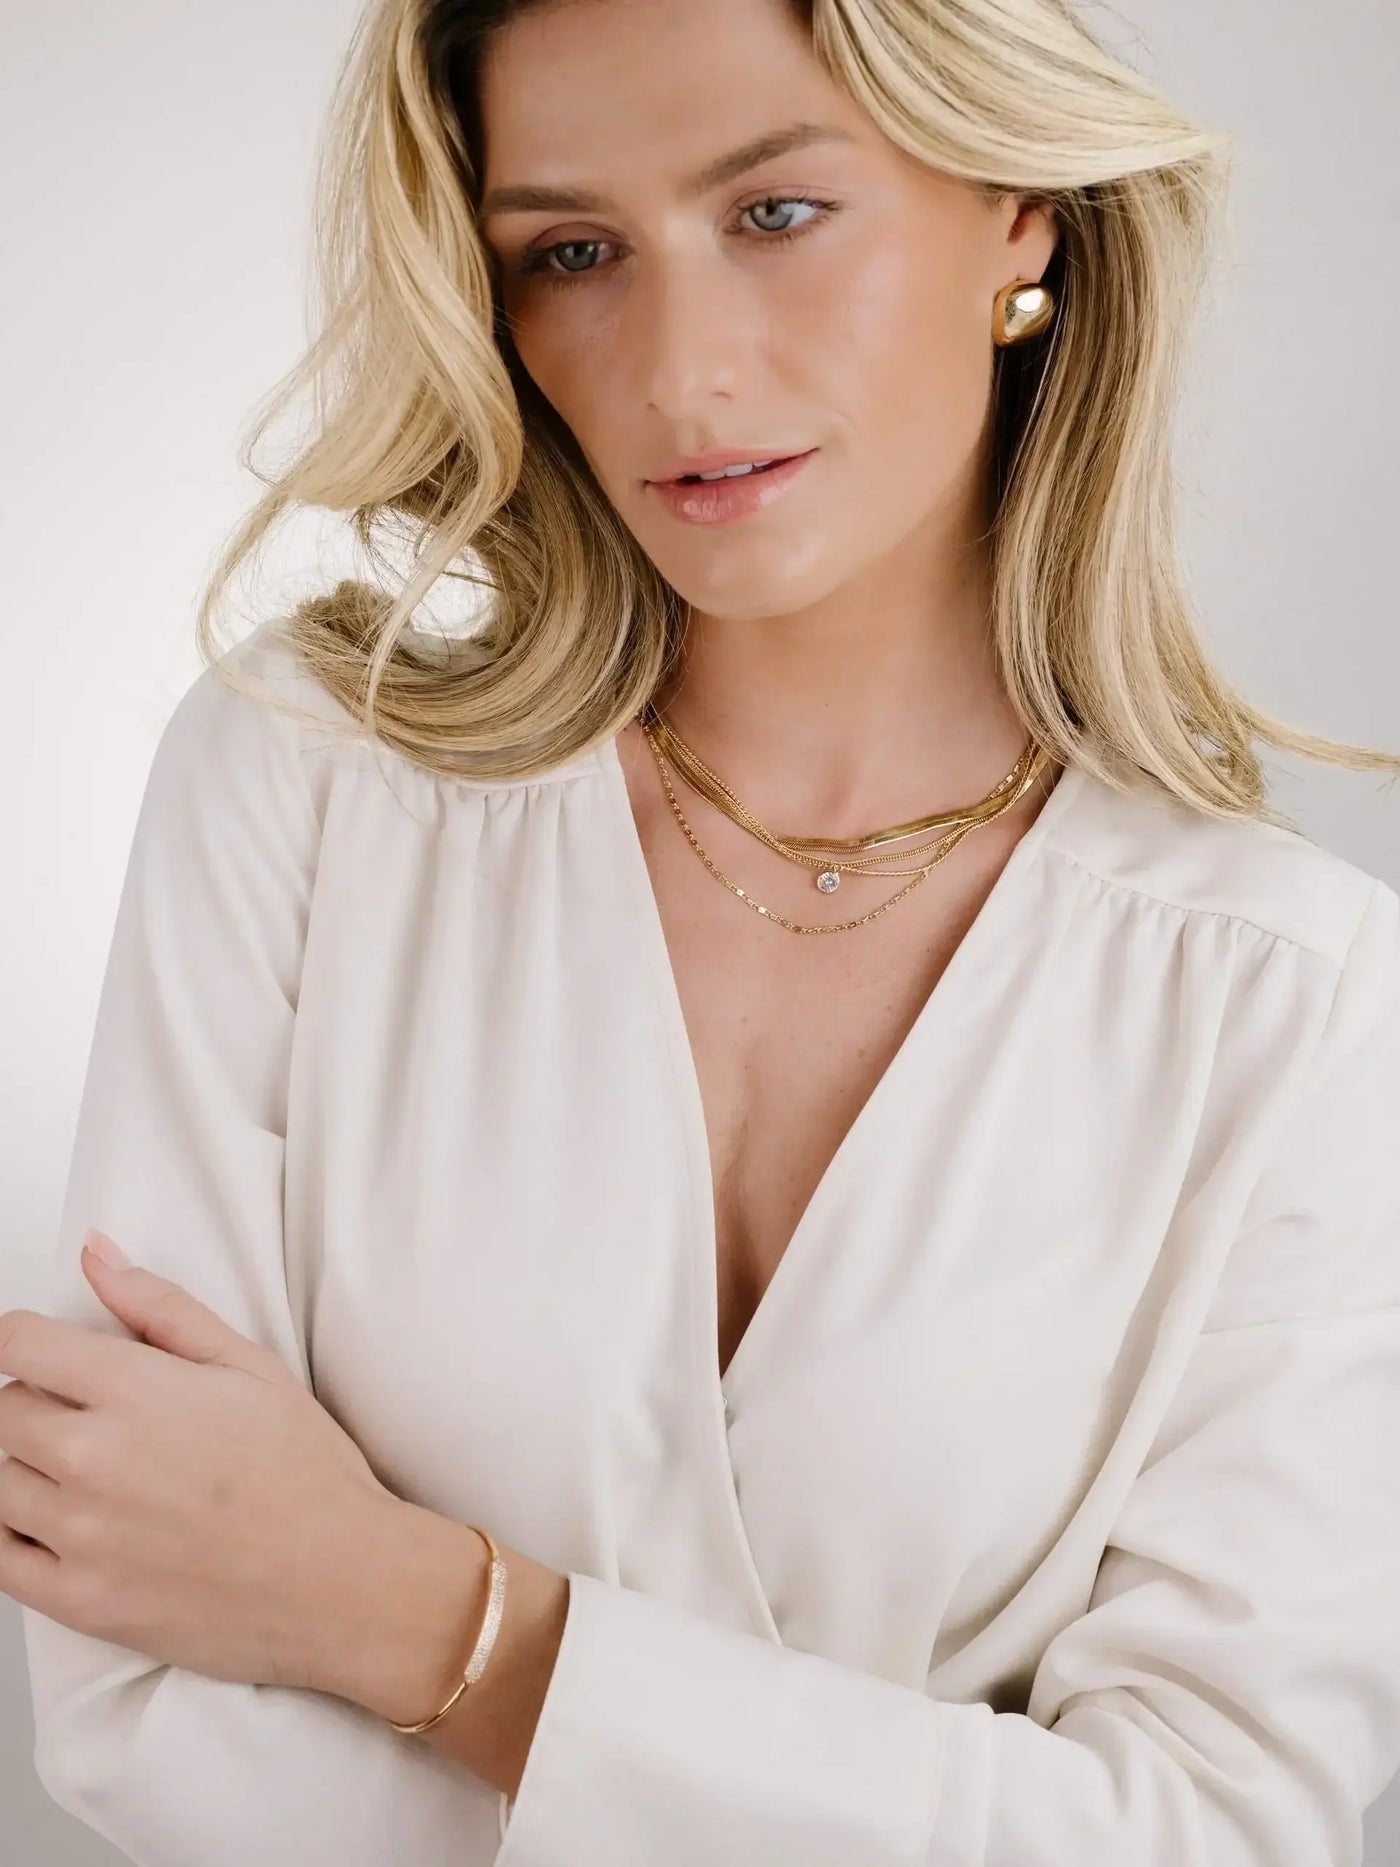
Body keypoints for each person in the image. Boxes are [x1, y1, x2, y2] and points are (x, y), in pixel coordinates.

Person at [7, 0, 1400, 1861]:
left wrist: (403, 1614)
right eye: (572, 253)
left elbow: (1217, 1833)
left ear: (1020, 215)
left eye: (775, 214)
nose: (679, 370)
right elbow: (130, 1667)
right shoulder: (312, 783)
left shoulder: (1296, 1001)